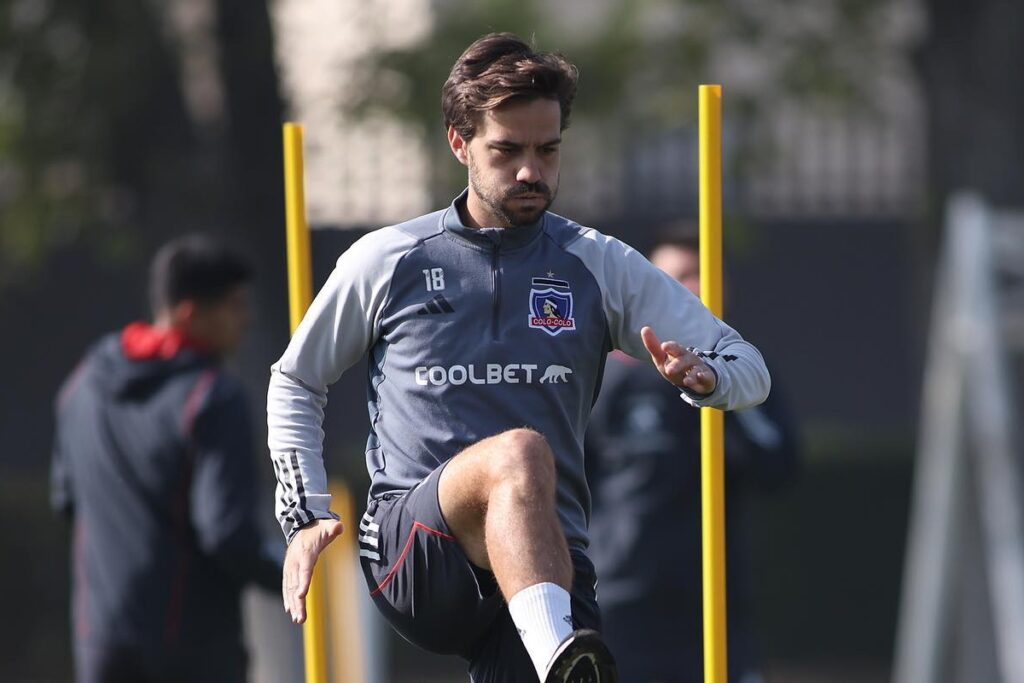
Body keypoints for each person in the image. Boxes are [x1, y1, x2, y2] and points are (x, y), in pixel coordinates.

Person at [267, 33, 771, 683]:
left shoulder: (598, 262)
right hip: (417, 553)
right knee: (519, 453)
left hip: (547, 561)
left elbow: (747, 368)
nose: (531, 170)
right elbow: (295, 379)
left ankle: (554, 652)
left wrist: (707, 378)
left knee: (531, 496)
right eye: (507, 150)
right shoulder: (387, 260)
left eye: (548, 149)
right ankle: (559, 655)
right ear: (460, 143)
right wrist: (304, 513)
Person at [51, 235, 281, 683]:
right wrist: (286, 573)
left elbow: (65, 499)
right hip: (193, 651)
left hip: (100, 641)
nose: (247, 320)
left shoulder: (83, 384)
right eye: (234, 306)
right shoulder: (213, 397)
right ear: (189, 313)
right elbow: (226, 533)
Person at [586, 234, 801, 683]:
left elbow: (778, 467)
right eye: (681, 277)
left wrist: (719, 390)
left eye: (706, 277)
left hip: (714, 606)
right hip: (619, 607)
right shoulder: (604, 382)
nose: (695, 290)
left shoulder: (748, 380)